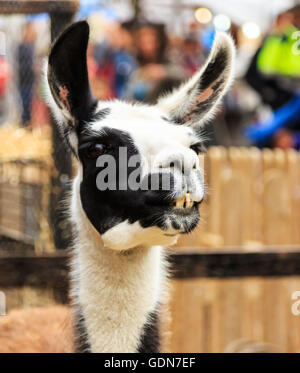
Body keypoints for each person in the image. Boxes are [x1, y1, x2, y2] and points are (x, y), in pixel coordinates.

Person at [17, 22, 36, 126]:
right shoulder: (22, 46)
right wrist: (33, 66)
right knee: (25, 100)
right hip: (24, 80)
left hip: (31, 79)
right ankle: (25, 121)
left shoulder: (32, 46)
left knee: (30, 101)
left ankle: (28, 121)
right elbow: (24, 64)